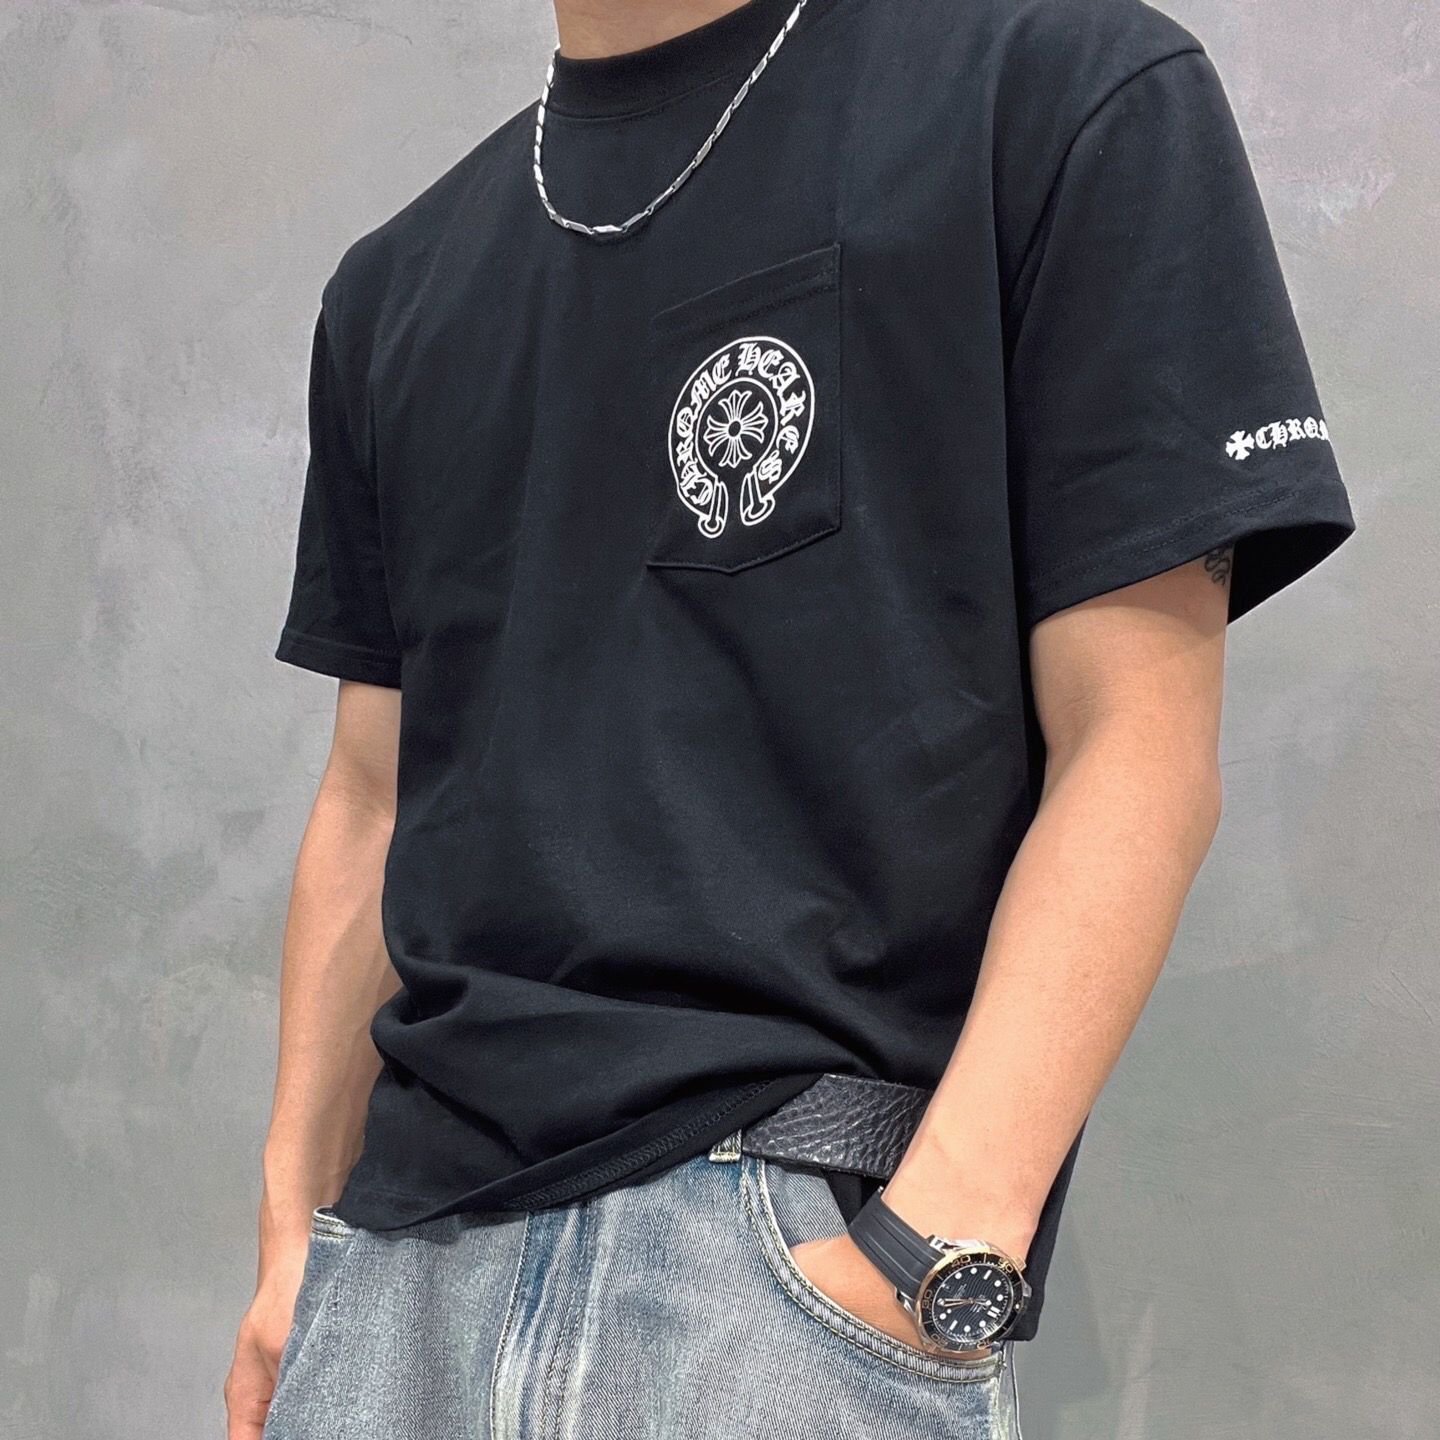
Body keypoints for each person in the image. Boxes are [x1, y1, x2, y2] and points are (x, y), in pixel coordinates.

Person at [226, 0, 1355, 1435]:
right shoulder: (395, 287)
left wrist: (933, 1247)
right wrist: (293, 1239)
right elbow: (372, 794)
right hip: (396, 1288)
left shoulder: (1059, 91)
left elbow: (1139, 742)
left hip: (778, 1262)